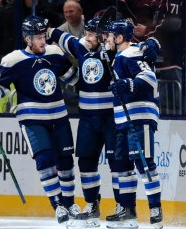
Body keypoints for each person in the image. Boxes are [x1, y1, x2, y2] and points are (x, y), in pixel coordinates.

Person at [0, 16, 82, 226]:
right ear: (27, 39)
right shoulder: (13, 60)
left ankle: (70, 203)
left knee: (65, 161)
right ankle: (59, 207)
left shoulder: (55, 53)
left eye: (43, 36)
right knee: (45, 161)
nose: (42, 41)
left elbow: (73, 79)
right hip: (32, 119)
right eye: (38, 37)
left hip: (59, 116)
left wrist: (81, 58)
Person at [48, 15, 160, 227]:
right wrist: (47, 30)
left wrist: (152, 42)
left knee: (119, 164)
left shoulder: (112, 52)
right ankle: (92, 204)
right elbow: (63, 37)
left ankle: (124, 206)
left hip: (111, 117)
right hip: (87, 118)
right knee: (86, 162)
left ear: (103, 36)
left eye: (92, 34)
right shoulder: (81, 48)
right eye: (86, 33)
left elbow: (137, 49)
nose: (87, 38)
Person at [105, 19, 163, 229]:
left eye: (109, 35)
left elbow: (148, 78)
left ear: (119, 38)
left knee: (144, 163)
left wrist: (128, 84)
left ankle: (155, 210)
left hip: (139, 116)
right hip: (123, 119)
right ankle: (128, 210)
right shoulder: (120, 56)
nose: (106, 39)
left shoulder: (131, 54)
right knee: (122, 165)